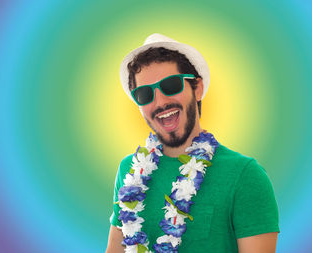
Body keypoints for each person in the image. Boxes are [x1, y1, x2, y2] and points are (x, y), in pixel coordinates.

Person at [106, 33, 280, 253]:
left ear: (197, 88)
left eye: (170, 85)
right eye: (144, 94)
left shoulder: (245, 175)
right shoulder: (129, 171)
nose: (160, 102)